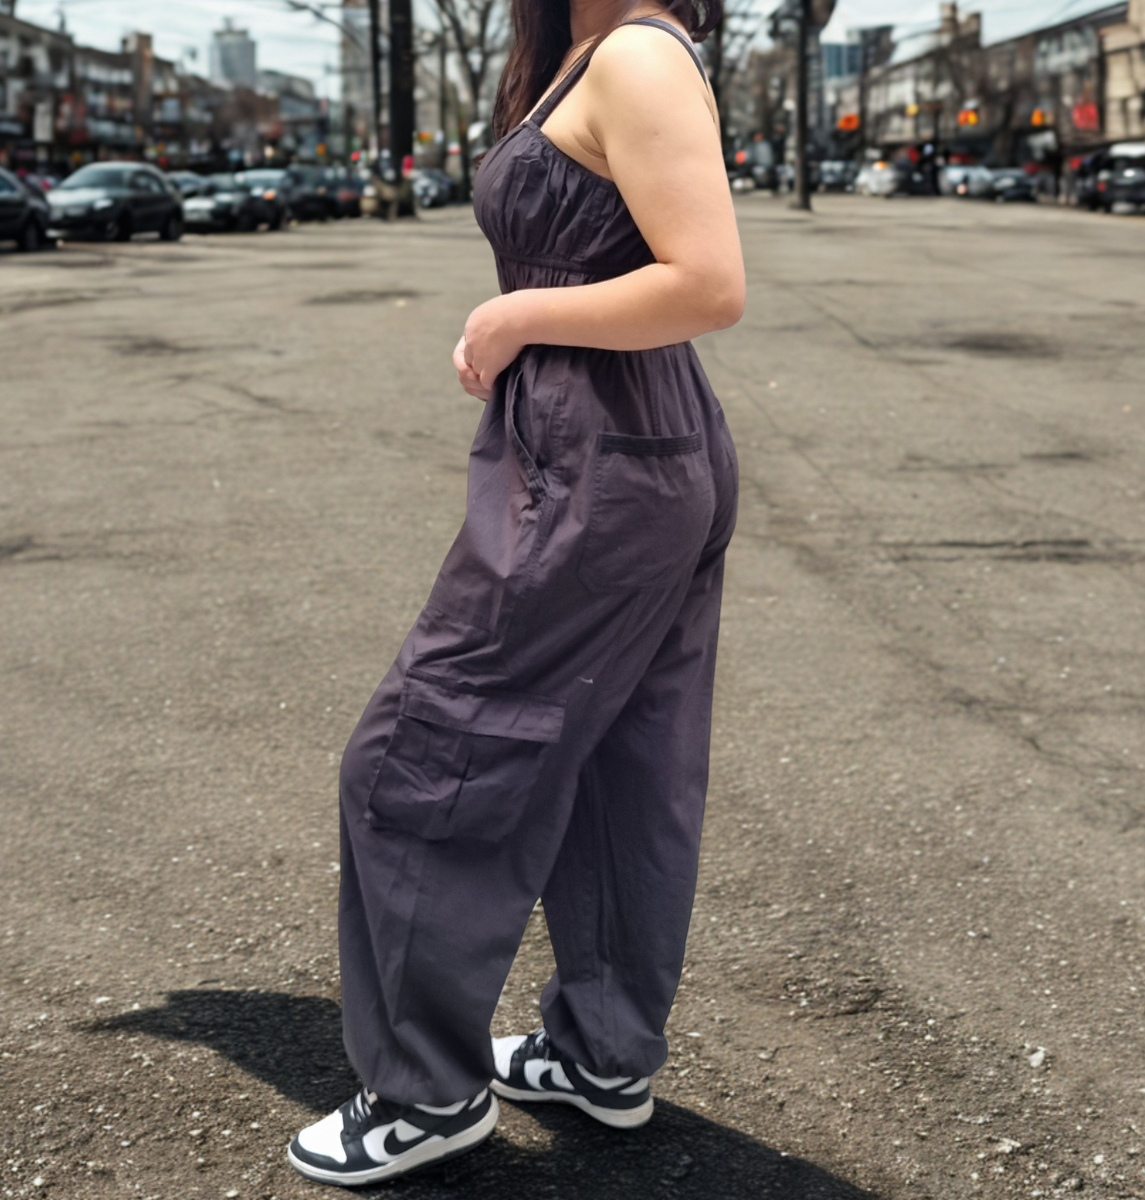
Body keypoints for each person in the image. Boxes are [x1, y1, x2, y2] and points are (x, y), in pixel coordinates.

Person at [288, 0, 744, 1185]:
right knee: (620, 767)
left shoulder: (635, 52)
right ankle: (601, 1055)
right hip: (633, 447)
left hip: (604, 461)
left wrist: (517, 314)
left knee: (420, 754)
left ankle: (423, 1090)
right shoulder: (589, 52)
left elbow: (708, 282)